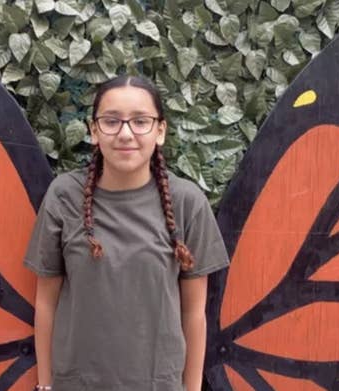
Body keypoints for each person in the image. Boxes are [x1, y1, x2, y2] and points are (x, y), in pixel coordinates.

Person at [24, 75, 230, 391]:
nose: (125, 134)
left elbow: (194, 313)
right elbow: (46, 302)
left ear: (160, 130)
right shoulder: (64, 196)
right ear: (94, 131)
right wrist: (45, 385)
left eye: (140, 121)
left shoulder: (188, 202)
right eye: (111, 121)